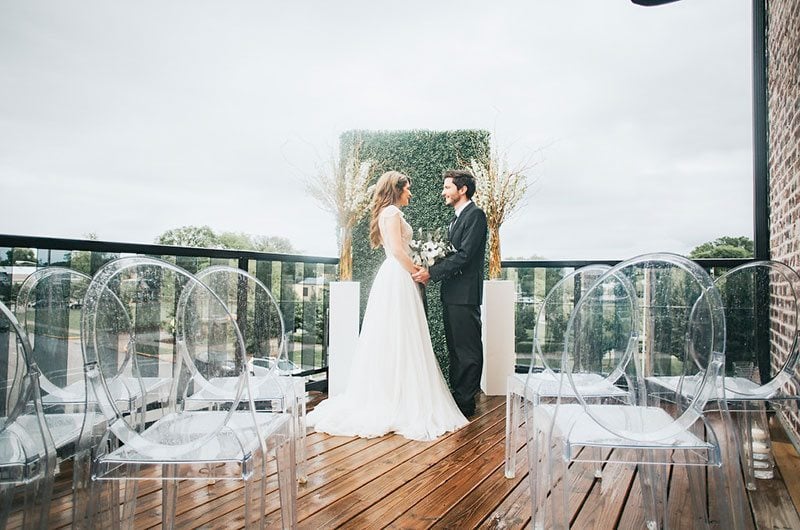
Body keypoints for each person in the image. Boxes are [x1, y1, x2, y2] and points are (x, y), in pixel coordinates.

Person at [307, 170, 468, 441]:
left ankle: (398, 392)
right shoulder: (392, 213)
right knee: (399, 334)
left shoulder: (390, 213)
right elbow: (396, 250)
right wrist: (418, 271)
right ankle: (397, 397)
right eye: (407, 189)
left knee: (398, 334)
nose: (410, 193)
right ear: (396, 189)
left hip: (396, 275)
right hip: (397, 275)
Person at [413, 170, 487, 418]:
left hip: (465, 295)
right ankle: (459, 397)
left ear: (462, 189)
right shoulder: (455, 219)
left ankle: (467, 402)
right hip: (452, 294)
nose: (443, 192)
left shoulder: (475, 215)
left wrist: (431, 273)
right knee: (455, 348)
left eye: (447, 187)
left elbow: (465, 256)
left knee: (467, 349)